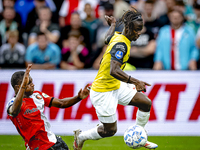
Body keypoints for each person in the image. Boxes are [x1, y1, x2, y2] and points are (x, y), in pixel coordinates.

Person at [73, 7, 158, 150]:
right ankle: (80, 137)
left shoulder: (119, 36)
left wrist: (112, 25)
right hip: (102, 91)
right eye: (137, 29)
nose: (139, 33)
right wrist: (135, 81)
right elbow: (114, 70)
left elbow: (107, 39)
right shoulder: (122, 44)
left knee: (145, 103)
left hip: (115, 85)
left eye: (141, 29)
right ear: (128, 27)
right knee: (110, 131)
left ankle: (139, 135)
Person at [6, 64, 90, 150]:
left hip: (52, 142)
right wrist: (23, 86)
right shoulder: (11, 104)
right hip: (36, 146)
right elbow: (14, 111)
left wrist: (78, 97)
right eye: (28, 83)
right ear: (18, 87)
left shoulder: (37, 95)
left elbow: (61, 103)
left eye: (31, 82)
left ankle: (79, 140)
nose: (33, 85)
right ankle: (79, 140)